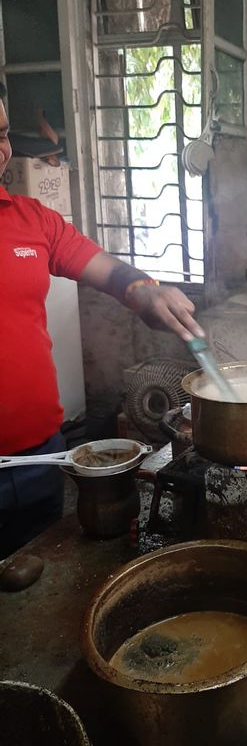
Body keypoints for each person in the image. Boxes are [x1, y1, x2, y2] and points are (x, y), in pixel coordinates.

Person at [0, 82, 205, 559]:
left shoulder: (31, 219)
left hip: (39, 458)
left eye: (4, 133)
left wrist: (145, 293)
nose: (0, 150)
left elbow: (107, 270)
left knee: (33, 589)